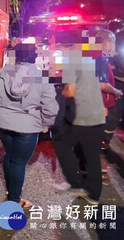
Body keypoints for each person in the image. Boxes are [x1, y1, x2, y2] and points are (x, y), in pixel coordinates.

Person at [0, 43, 59, 208]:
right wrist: (46, 123)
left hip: (4, 124)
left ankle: (11, 190)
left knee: (9, 156)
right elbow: (50, 106)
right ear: (34, 57)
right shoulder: (40, 77)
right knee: (19, 162)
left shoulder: (4, 72)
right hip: (28, 126)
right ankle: (14, 199)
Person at [52, 30, 106, 205]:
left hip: (82, 116)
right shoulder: (90, 61)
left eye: (61, 47)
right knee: (92, 155)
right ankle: (93, 195)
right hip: (96, 115)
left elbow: (71, 92)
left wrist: (62, 91)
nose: (60, 50)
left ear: (70, 46)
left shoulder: (71, 62)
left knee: (61, 144)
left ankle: (74, 183)